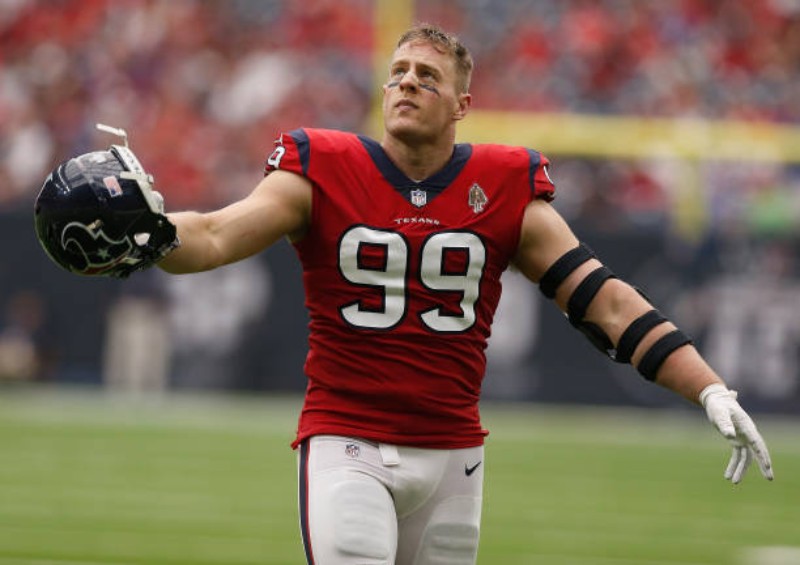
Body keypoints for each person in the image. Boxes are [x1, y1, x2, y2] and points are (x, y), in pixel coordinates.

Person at [44, 23, 773, 565]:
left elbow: (604, 302)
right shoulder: (320, 168)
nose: (407, 82)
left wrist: (708, 387)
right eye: (397, 72)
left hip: (454, 455)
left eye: (427, 74)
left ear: (461, 103)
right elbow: (213, 235)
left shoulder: (504, 184)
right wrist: (153, 232)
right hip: (347, 442)